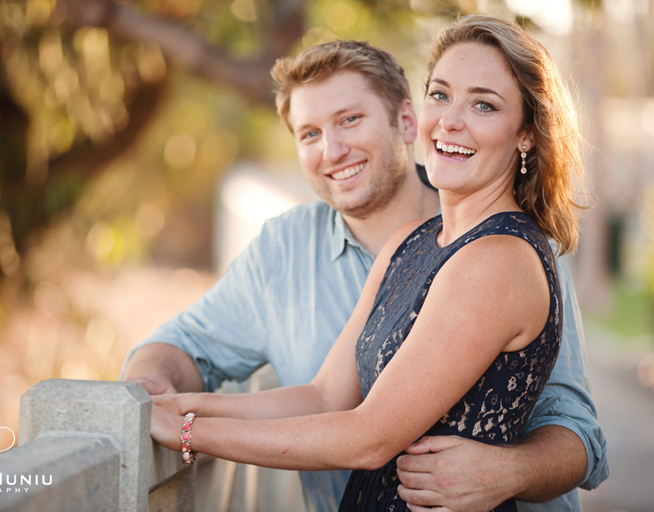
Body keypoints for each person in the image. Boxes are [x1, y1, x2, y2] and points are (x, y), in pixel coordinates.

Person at [123, 26, 608, 512]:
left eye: (483, 105)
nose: (450, 120)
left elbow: (369, 437)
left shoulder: (502, 257)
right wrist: (180, 407)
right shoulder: (411, 241)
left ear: (526, 134)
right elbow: (324, 397)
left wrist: (189, 433)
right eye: (440, 95)